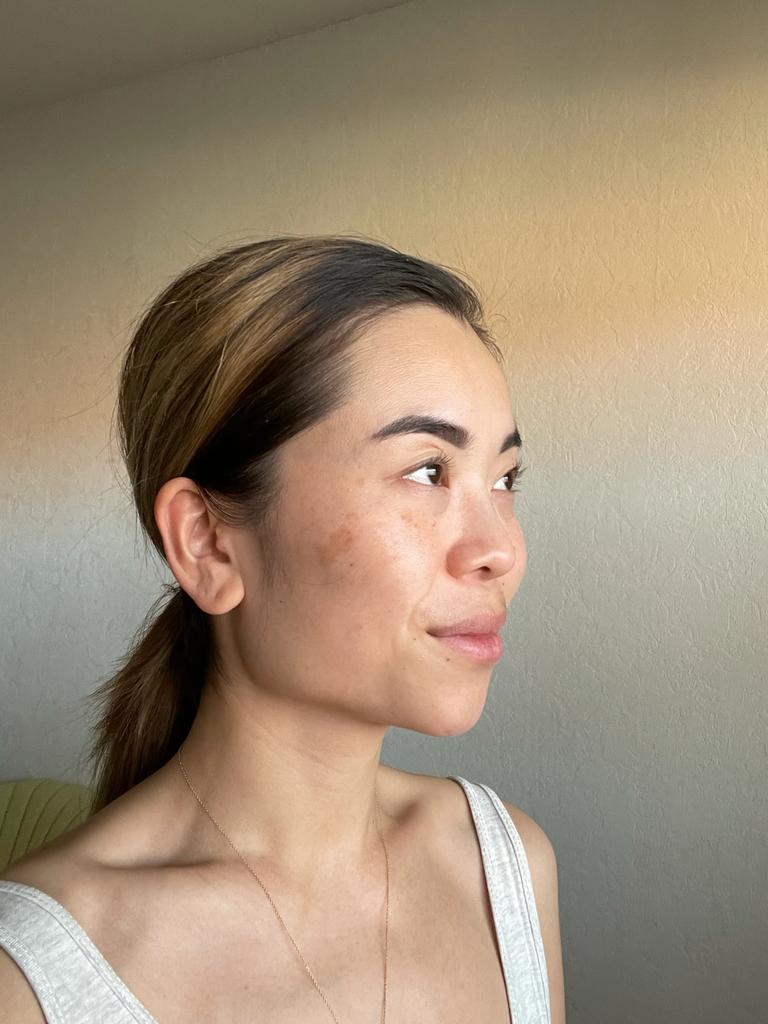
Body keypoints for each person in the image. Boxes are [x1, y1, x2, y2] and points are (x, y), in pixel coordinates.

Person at [0, 234, 565, 1023]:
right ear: (208, 542)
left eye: (504, 479)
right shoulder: (32, 982)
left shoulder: (504, 868)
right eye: (427, 470)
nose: (501, 550)